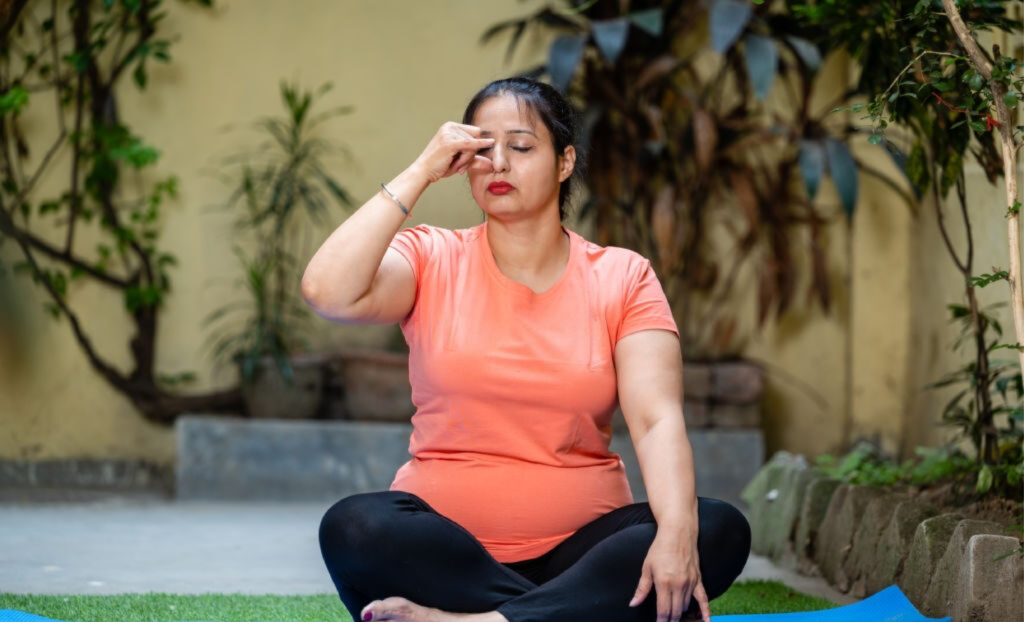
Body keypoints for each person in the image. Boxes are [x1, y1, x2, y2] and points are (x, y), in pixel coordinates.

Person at [302, 77, 750, 622]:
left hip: (583, 556)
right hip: (447, 561)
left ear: (565, 163)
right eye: (480, 150)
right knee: (354, 525)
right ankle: (564, 617)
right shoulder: (431, 258)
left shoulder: (622, 276)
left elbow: (656, 421)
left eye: (520, 147)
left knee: (716, 527)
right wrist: (420, 171)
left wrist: (677, 538)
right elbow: (327, 291)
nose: (498, 164)